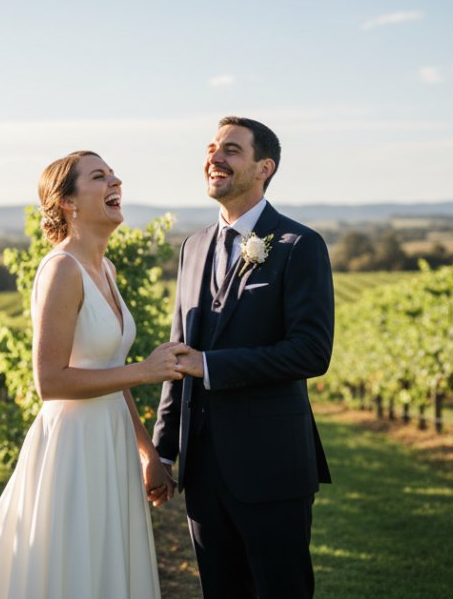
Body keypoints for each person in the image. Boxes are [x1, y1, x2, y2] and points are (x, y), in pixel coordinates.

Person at [0, 150, 186, 599]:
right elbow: (50, 382)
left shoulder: (107, 269)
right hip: (74, 448)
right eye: (100, 176)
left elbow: (110, 374)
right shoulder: (61, 269)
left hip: (112, 439)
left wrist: (146, 453)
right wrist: (145, 371)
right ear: (68, 203)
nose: (116, 181)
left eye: (114, 173)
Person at [152, 117, 335, 598]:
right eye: (212, 147)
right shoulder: (192, 248)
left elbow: (312, 352)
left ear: (264, 167)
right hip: (203, 470)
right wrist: (163, 449)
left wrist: (210, 366)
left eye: (231, 150)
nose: (214, 157)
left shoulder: (300, 245)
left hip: (272, 464)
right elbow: (178, 355)